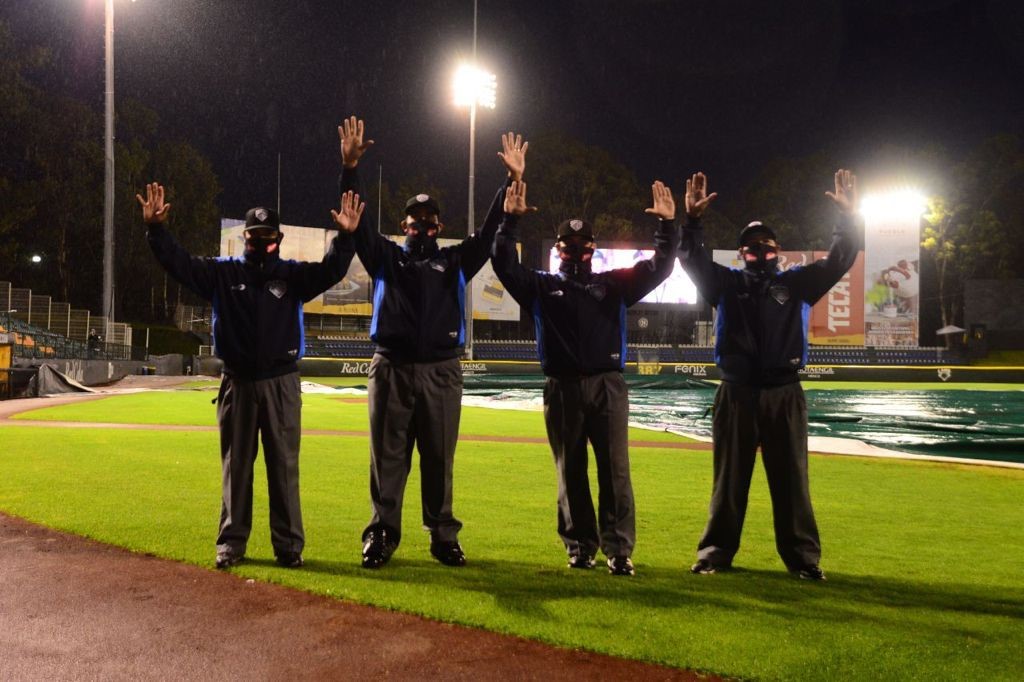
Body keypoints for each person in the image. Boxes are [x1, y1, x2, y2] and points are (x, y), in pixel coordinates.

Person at [138, 182, 363, 569]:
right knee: (237, 467)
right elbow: (179, 263)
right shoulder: (222, 274)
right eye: (255, 236)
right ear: (244, 237)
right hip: (238, 382)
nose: (261, 242)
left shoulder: (292, 277)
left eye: (268, 237)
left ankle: (288, 546)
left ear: (279, 238)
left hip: (281, 382)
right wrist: (156, 230)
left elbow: (332, 270)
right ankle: (232, 543)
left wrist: (346, 237)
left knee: (283, 468)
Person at [337, 116, 525, 568]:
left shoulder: (455, 261)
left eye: (429, 222)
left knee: (439, 458)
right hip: (392, 367)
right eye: (414, 222)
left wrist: (511, 180)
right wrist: (350, 169)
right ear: (403, 224)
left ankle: (443, 536)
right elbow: (358, 221)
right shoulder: (386, 257)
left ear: (439, 226)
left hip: (441, 370)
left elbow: (487, 232)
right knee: (388, 458)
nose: (421, 228)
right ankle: (382, 534)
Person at [678, 170, 862, 580]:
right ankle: (714, 554)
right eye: (752, 247)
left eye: (767, 246)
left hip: (784, 391)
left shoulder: (796, 284)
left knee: (792, 481)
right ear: (740, 253)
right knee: (729, 480)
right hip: (737, 392)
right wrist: (691, 221)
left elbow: (839, 260)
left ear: (778, 251)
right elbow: (690, 259)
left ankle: (803, 560)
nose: (760, 252)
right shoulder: (725, 284)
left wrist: (848, 219)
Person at [491, 179, 680, 576]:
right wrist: (509, 222)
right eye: (568, 245)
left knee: (615, 470)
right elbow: (504, 264)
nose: (576, 251)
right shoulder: (542, 286)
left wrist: (667, 226)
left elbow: (661, 267)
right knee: (570, 471)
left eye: (583, 245)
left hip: (607, 385)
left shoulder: (613, 284)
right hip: (562, 386)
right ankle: (580, 547)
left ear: (593, 248)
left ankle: (618, 550)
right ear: (558, 250)